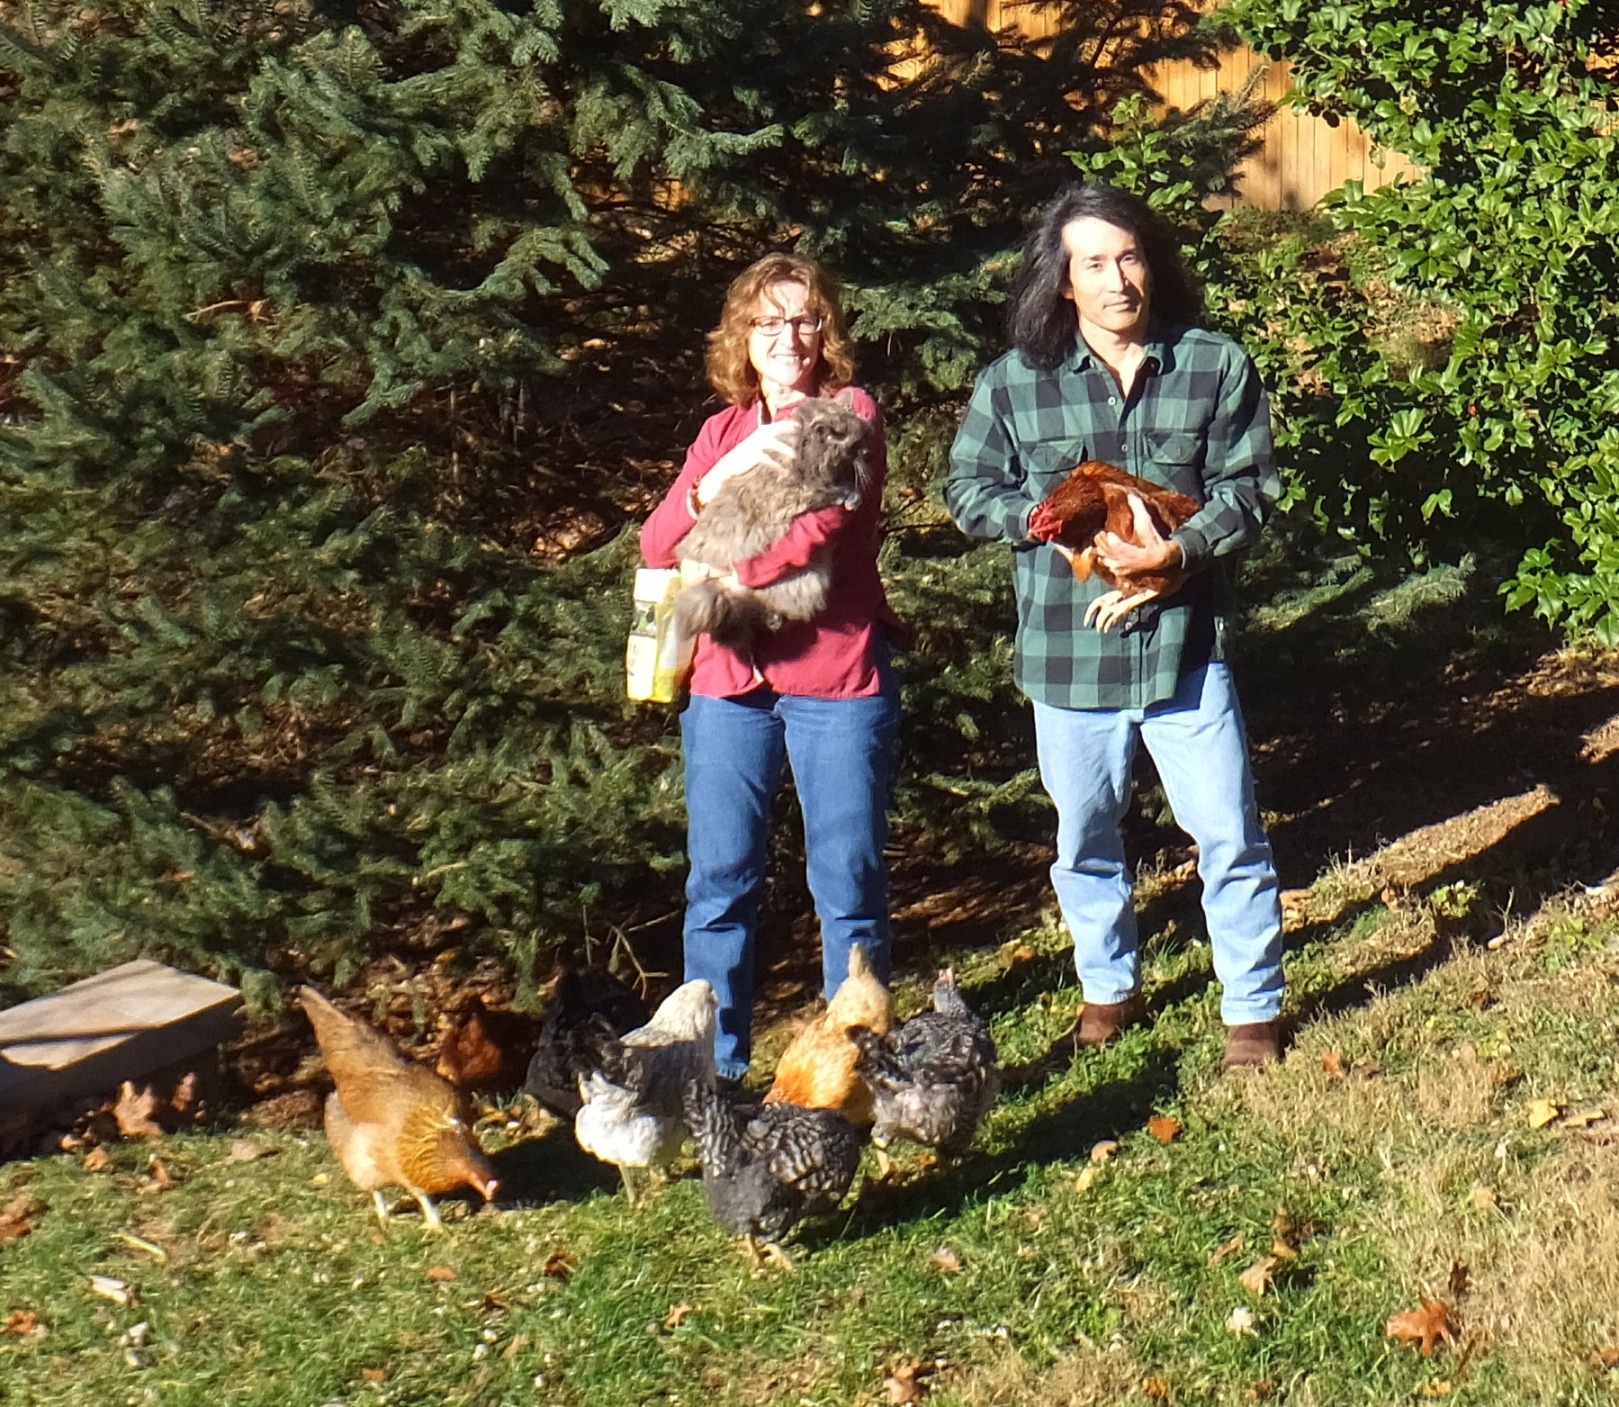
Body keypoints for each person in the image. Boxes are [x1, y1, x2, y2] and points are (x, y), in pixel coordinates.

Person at [944, 182, 1286, 1070]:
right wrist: (1045, 521)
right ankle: (1108, 985)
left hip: (1184, 650)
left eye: (1128, 256)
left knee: (1227, 831)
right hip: (1068, 653)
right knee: (1085, 838)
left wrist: (1178, 556)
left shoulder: (1213, 364)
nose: (1116, 279)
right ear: (1062, 281)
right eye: (1092, 263)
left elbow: (1251, 490)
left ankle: (1250, 1007)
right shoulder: (1016, 382)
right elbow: (967, 490)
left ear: (1151, 262)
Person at [640, 253, 902, 1082]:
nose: (787, 336)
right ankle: (711, 1075)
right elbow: (655, 545)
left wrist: (719, 570)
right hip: (727, 684)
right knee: (718, 883)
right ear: (741, 338)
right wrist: (702, 490)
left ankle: (849, 1067)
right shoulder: (722, 432)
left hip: (834, 675)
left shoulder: (847, 414)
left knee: (846, 882)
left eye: (803, 319)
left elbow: (817, 531)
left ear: (825, 331)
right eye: (767, 322)